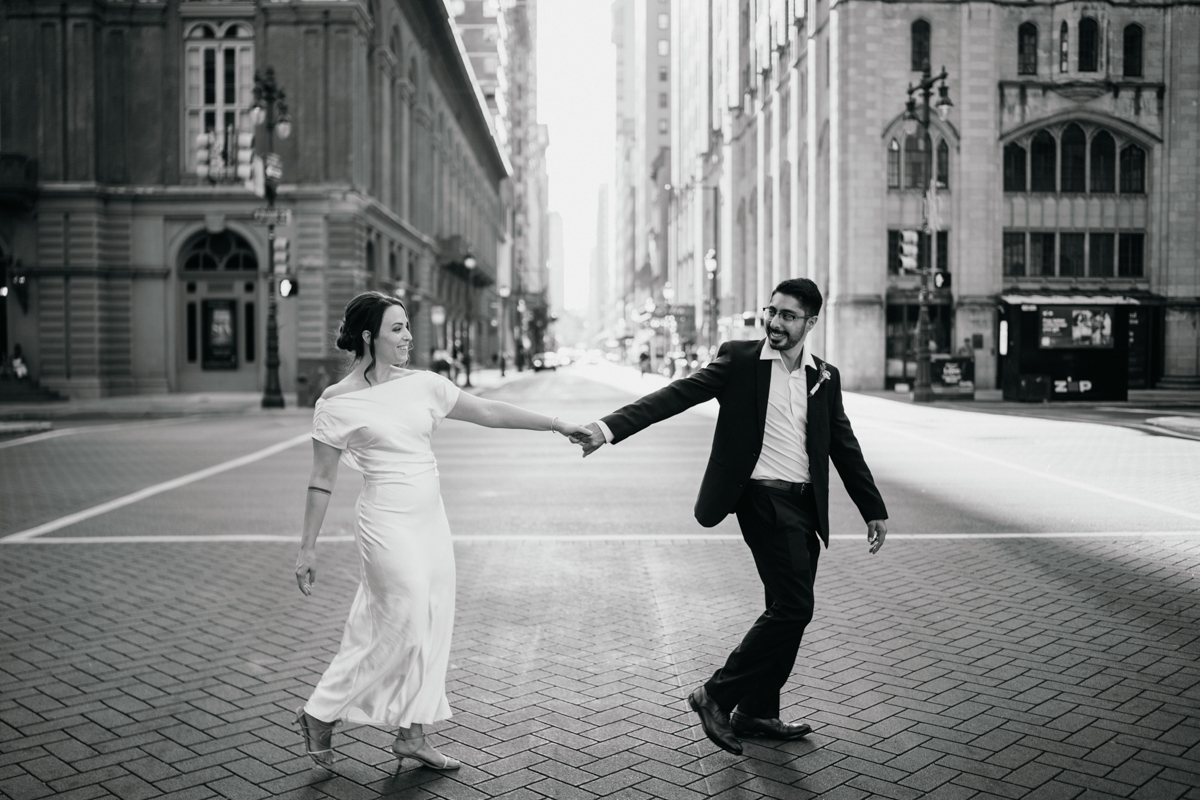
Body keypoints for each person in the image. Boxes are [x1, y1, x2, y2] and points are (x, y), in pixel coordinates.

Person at [574, 278, 888, 756]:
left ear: (811, 323)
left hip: (806, 505)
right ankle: (715, 695)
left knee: (786, 609)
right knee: (794, 607)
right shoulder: (740, 361)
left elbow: (842, 444)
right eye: (772, 311)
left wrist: (872, 508)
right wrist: (607, 428)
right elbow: (674, 396)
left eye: (788, 316)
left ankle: (758, 711)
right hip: (761, 501)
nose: (775, 323)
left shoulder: (824, 375)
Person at [294, 291, 589, 771]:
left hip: (430, 519)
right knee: (404, 620)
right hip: (384, 521)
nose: (408, 335)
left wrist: (556, 424)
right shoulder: (335, 403)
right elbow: (321, 480)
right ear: (369, 336)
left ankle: (413, 734)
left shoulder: (426, 385)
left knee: (432, 621)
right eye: (396, 328)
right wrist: (307, 548)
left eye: (408, 326)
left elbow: (490, 412)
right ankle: (320, 714)